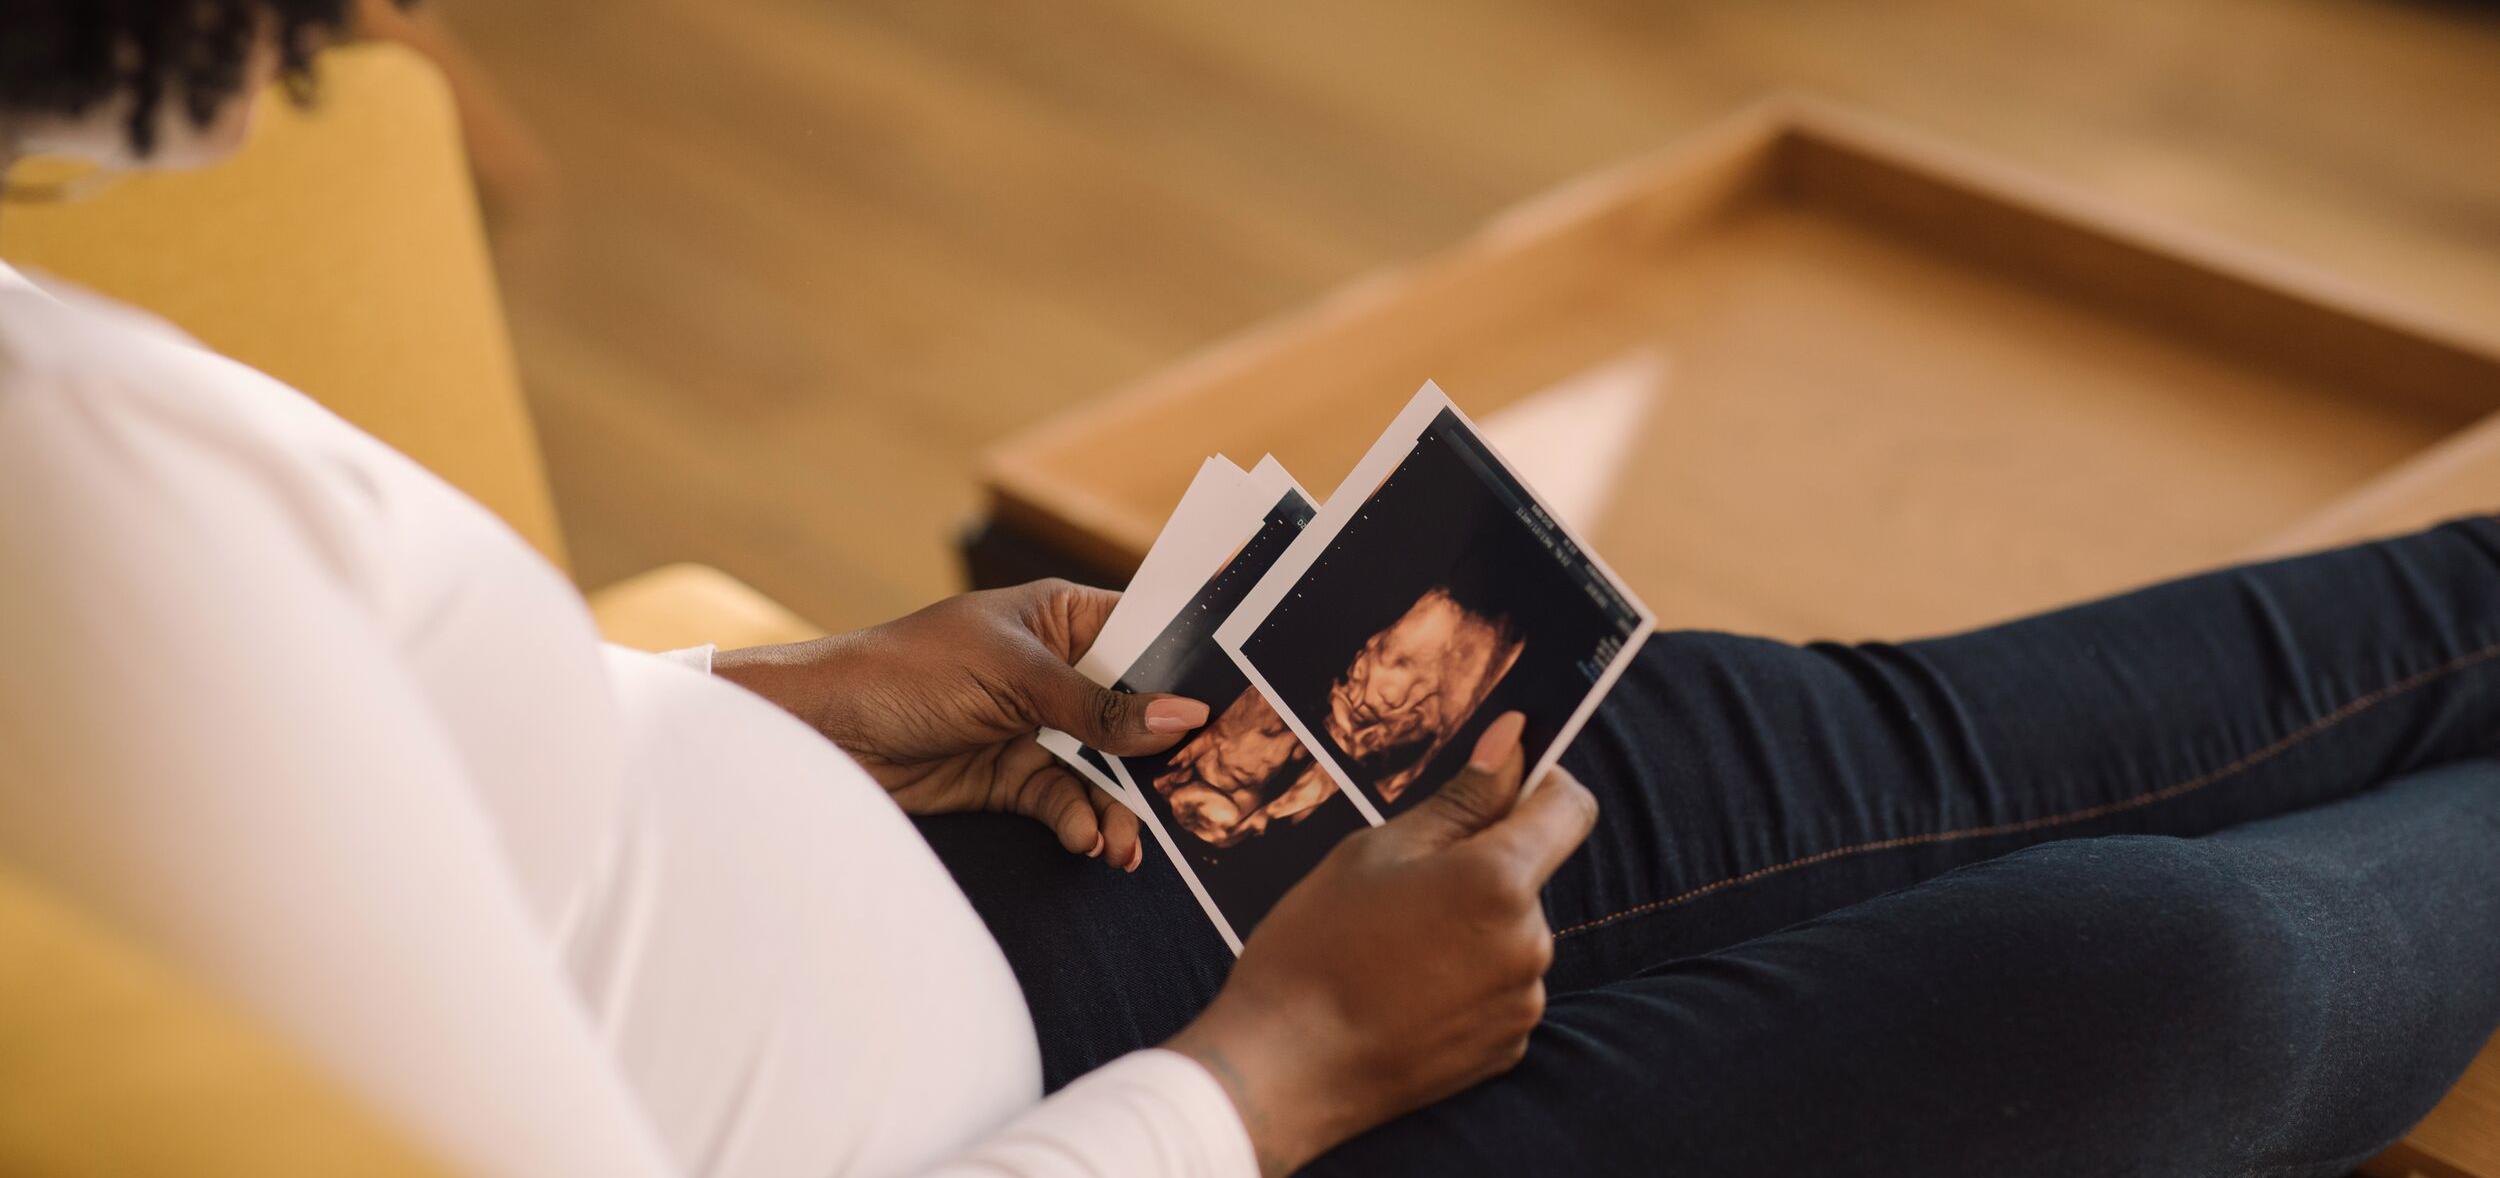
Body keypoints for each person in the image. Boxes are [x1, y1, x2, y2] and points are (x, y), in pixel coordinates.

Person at [2, 5, 2496, 1177]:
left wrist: (775, 698)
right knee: (2159, 975)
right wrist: (1265, 1075)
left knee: (1856, 747)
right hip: (1160, 1122)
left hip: (974, 892)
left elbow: (368, 803)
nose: (375, 36)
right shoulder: (53, 475)